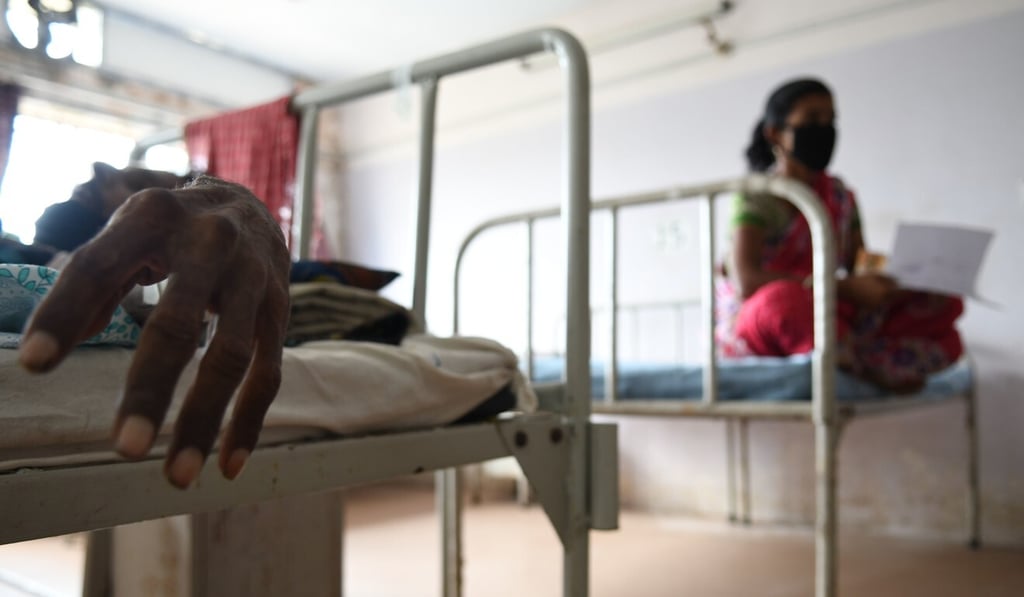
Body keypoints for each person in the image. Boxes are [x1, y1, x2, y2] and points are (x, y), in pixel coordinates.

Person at [18, 175, 291, 489]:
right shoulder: (49, 244)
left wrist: (243, 209)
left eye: (100, 184)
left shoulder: (214, 249)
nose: (88, 188)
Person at [717, 77, 964, 392]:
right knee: (783, 300)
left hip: (829, 315)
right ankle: (859, 363)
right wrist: (844, 288)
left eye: (830, 120)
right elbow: (747, 282)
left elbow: (859, 267)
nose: (824, 130)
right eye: (811, 120)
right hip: (766, 323)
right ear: (775, 133)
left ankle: (853, 357)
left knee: (943, 304)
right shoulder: (757, 196)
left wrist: (897, 279)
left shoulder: (841, 197)